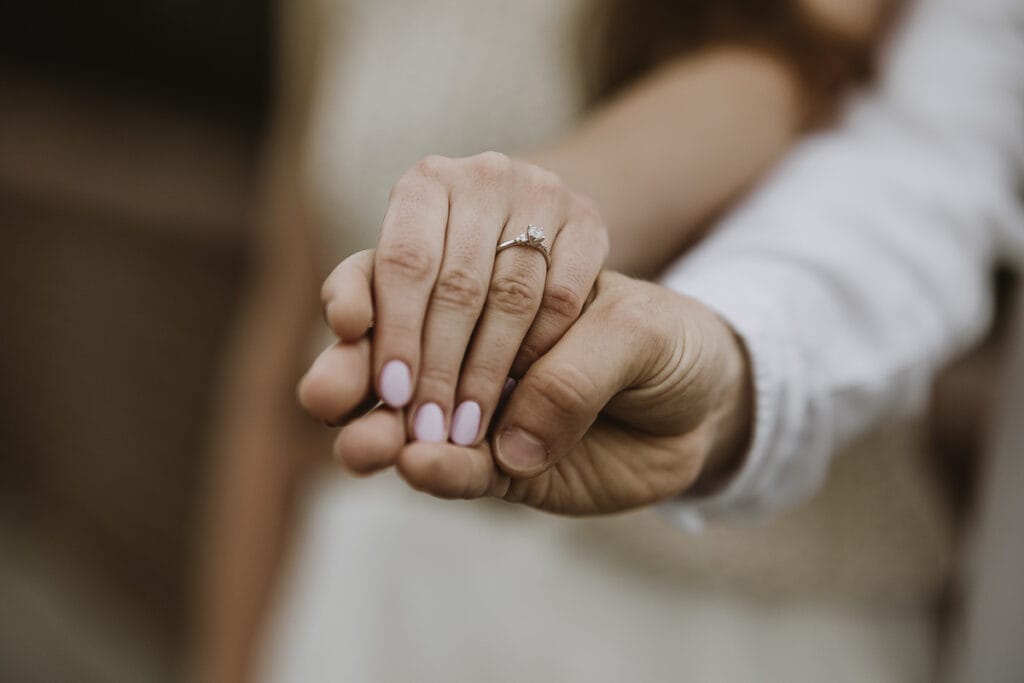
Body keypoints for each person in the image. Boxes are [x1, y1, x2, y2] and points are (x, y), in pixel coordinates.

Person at [300, 0, 1024, 680]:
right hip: (381, 596)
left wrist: (537, 218)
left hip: (736, 621)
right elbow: (286, 342)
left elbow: (791, 77)